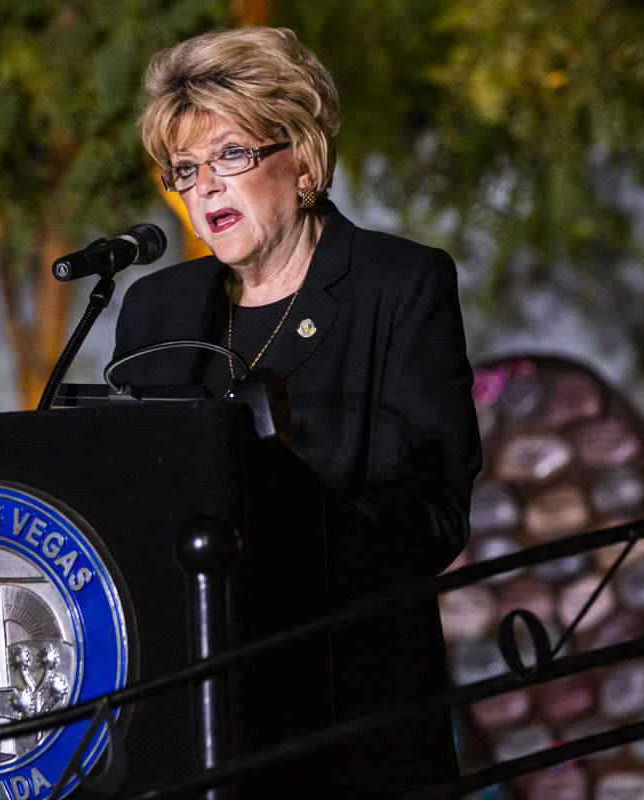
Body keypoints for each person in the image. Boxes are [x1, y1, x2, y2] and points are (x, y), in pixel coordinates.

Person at [109, 26, 481, 797]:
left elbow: (433, 512)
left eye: (231, 156)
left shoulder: (397, 284)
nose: (205, 186)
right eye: (186, 169)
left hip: (345, 687)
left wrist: (288, 536)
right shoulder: (157, 307)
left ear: (304, 162)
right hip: (196, 692)